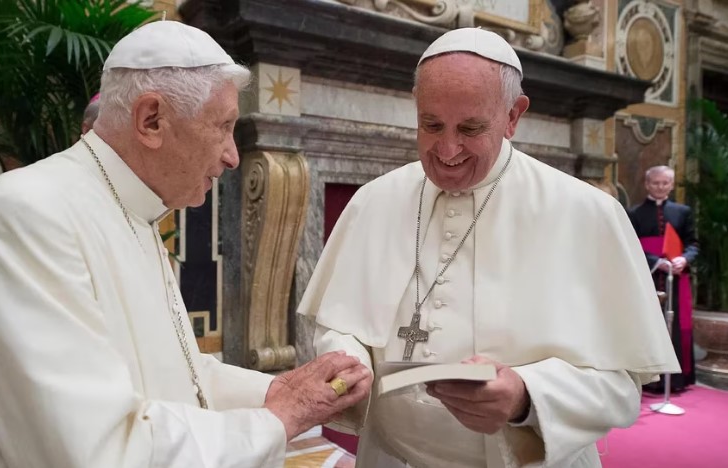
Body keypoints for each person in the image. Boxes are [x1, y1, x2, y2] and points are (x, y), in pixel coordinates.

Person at [0, 21, 371, 468]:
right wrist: (281, 417)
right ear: (152, 120)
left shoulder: (138, 214)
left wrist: (276, 391)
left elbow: (182, 375)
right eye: (222, 127)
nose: (232, 155)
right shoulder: (24, 214)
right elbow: (99, 447)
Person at [298, 28, 679, 468]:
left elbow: (622, 387)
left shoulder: (587, 212)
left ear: (513, 116)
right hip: (389, 459)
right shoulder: (374, 201)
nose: (447, 148)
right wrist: (348, 358)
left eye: (471, 128)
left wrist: (525, 398)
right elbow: (340, 323)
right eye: (431, 124)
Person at [628, 165, 699, 393]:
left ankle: (676, 381)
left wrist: (684, 260)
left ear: (671, 184)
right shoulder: (634, 213)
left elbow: (693, 244)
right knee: (648, 325)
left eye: (665, 183)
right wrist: (656, 262)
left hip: (676, 278)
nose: (660, 187)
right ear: (647, 184)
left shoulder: (683, 211)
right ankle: (651, 380)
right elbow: (630, 245)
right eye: (656, 183)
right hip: (647, 276)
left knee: (676, 326)